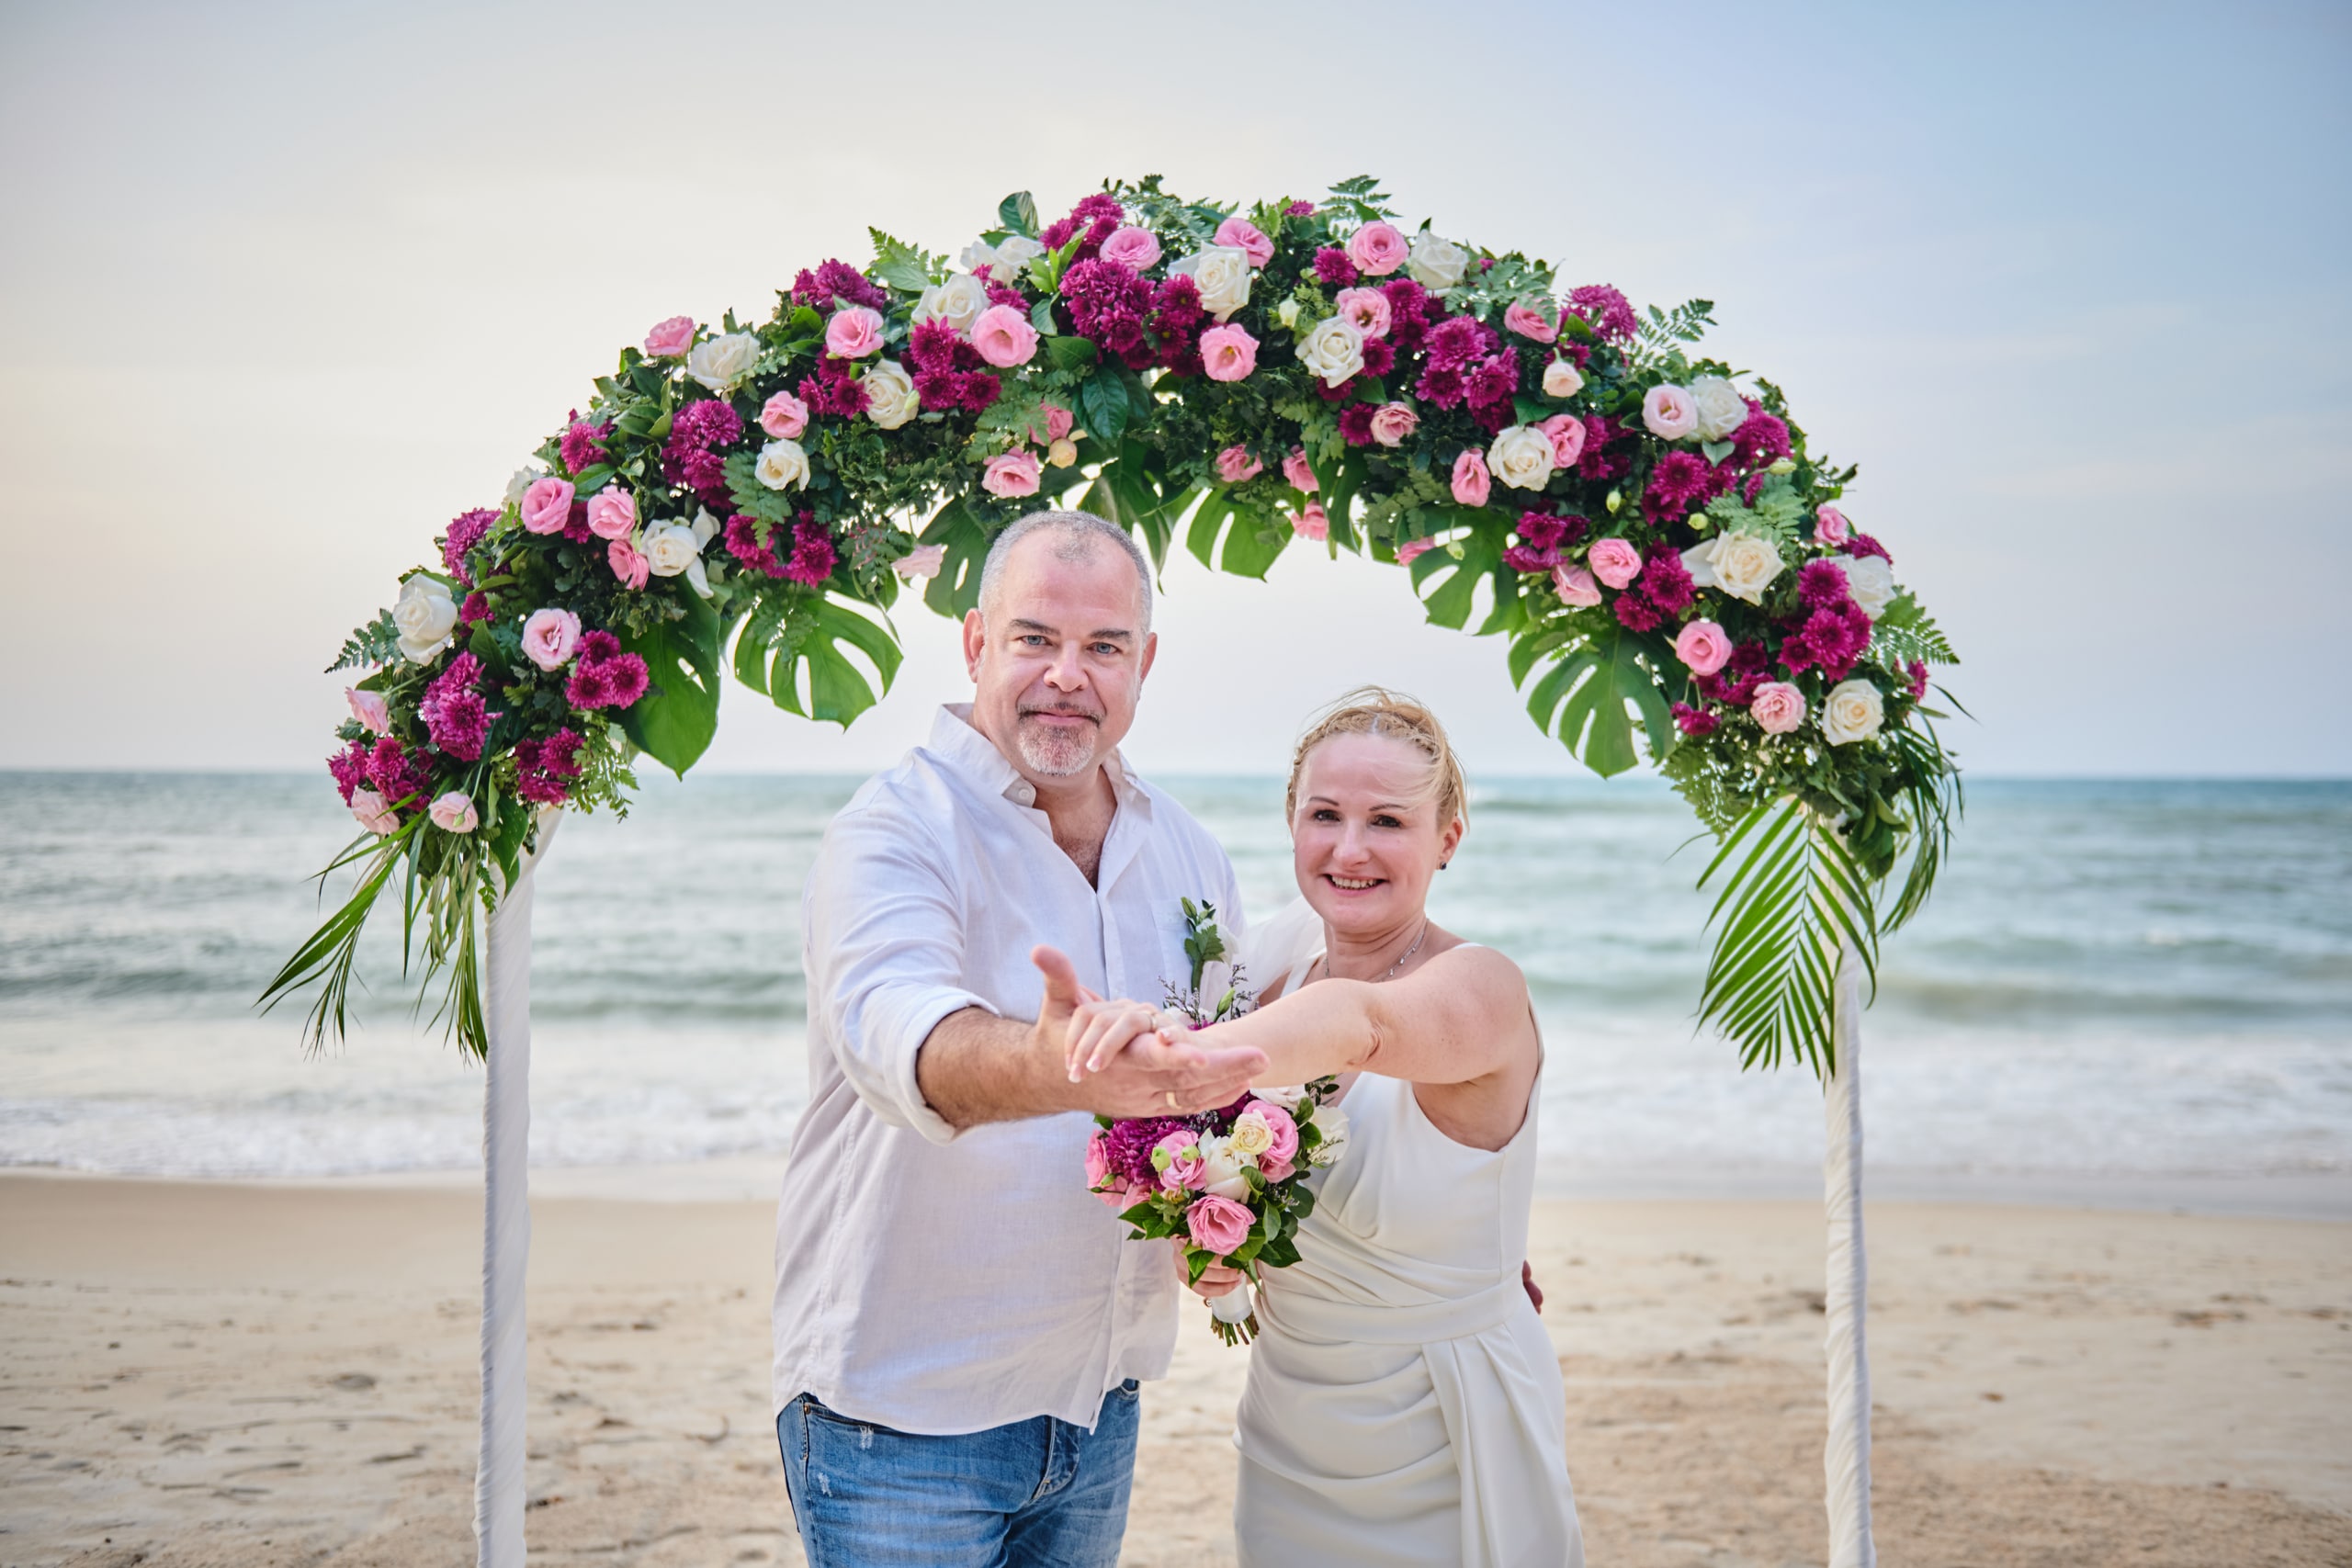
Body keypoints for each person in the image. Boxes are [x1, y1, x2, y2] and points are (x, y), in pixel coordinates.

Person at [771, 508, 1269, 1566]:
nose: (1066, 676)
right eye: (1034, 639)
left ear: (1145, 661)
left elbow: (1224, 1066)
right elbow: (898, 1036)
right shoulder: (895, 831)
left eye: (1103, 647)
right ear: (974, 642)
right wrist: (1054, 1067)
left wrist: (1222, 1217)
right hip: (900, 1418)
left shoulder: (1185, 851)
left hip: (1098, 1407)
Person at [1066, 689, 1585, 1565]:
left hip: (1443, 1424)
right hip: (1290, 1428)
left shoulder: (1485, 986)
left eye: (1388, 819)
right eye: (1325, 815)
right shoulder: (1267, 966)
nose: (1350, 849)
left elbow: (1362, 1022)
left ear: (1446, 838)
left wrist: (1175, 1061)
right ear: (1293, 824)